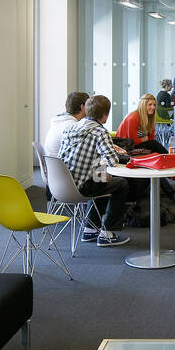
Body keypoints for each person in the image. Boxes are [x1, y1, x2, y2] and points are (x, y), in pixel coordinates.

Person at [57, 94, 132, 246]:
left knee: (101, 178)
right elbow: (112, 160)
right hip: (80, 187)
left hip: (61, 185)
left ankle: (90, 229)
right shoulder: (100, 132)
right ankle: (107, 233)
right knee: (121, 184)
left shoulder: (71, 127)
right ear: (104, 115)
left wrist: (101, 170)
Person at [116, 94, 175, 202]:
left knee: (155, 155)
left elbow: (150, 137)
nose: (153, 107)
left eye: (154, 105)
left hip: (139, 147)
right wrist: (144, 139)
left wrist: (145, 139)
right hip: (126, 150)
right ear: (143, 105)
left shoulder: (150, 118)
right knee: (154, 147)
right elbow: (130, 142)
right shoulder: (133, 118)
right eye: (149, 105)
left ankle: (172, 173)